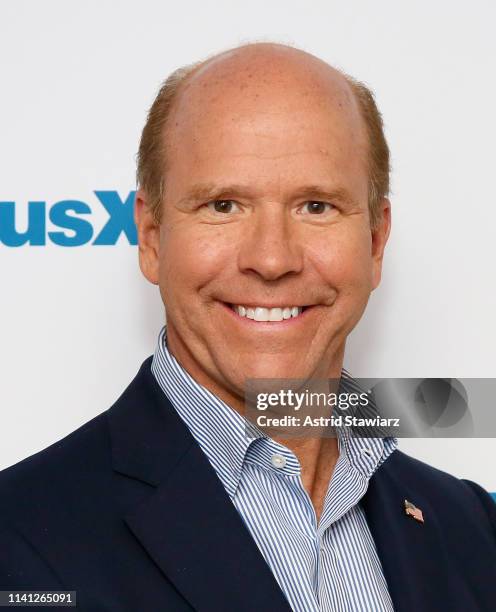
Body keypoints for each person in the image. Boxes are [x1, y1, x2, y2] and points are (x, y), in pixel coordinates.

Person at [0, 42, 495, 612]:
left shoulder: (470, 528)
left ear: (377, 241)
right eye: (223, 205)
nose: (272, 258)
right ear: (153, 236)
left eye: (316, 206)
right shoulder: (21, 541)